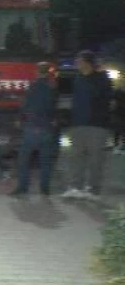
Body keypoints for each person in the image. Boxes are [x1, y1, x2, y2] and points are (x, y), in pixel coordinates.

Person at [60, 51, 113, 201]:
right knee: (75, 157)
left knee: (95, 159)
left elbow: (105, 97)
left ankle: (93, 190)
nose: (77, 63)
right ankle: (75, 187)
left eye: (79, 60)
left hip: (97, 125)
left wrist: (99, 72)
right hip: (78, 124)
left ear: (87, 62)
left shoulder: (101, 78)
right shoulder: (78, 78)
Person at [10, 62, 57, 197]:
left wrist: (19, 119)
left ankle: (23, 187)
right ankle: (45, 189)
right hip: (47, 128)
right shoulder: (52, 87)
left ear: (37, 72)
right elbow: (52, 108)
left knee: (24, 159)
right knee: (45, 161)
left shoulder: (34, 86)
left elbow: (26, 105)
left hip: (33, 127)